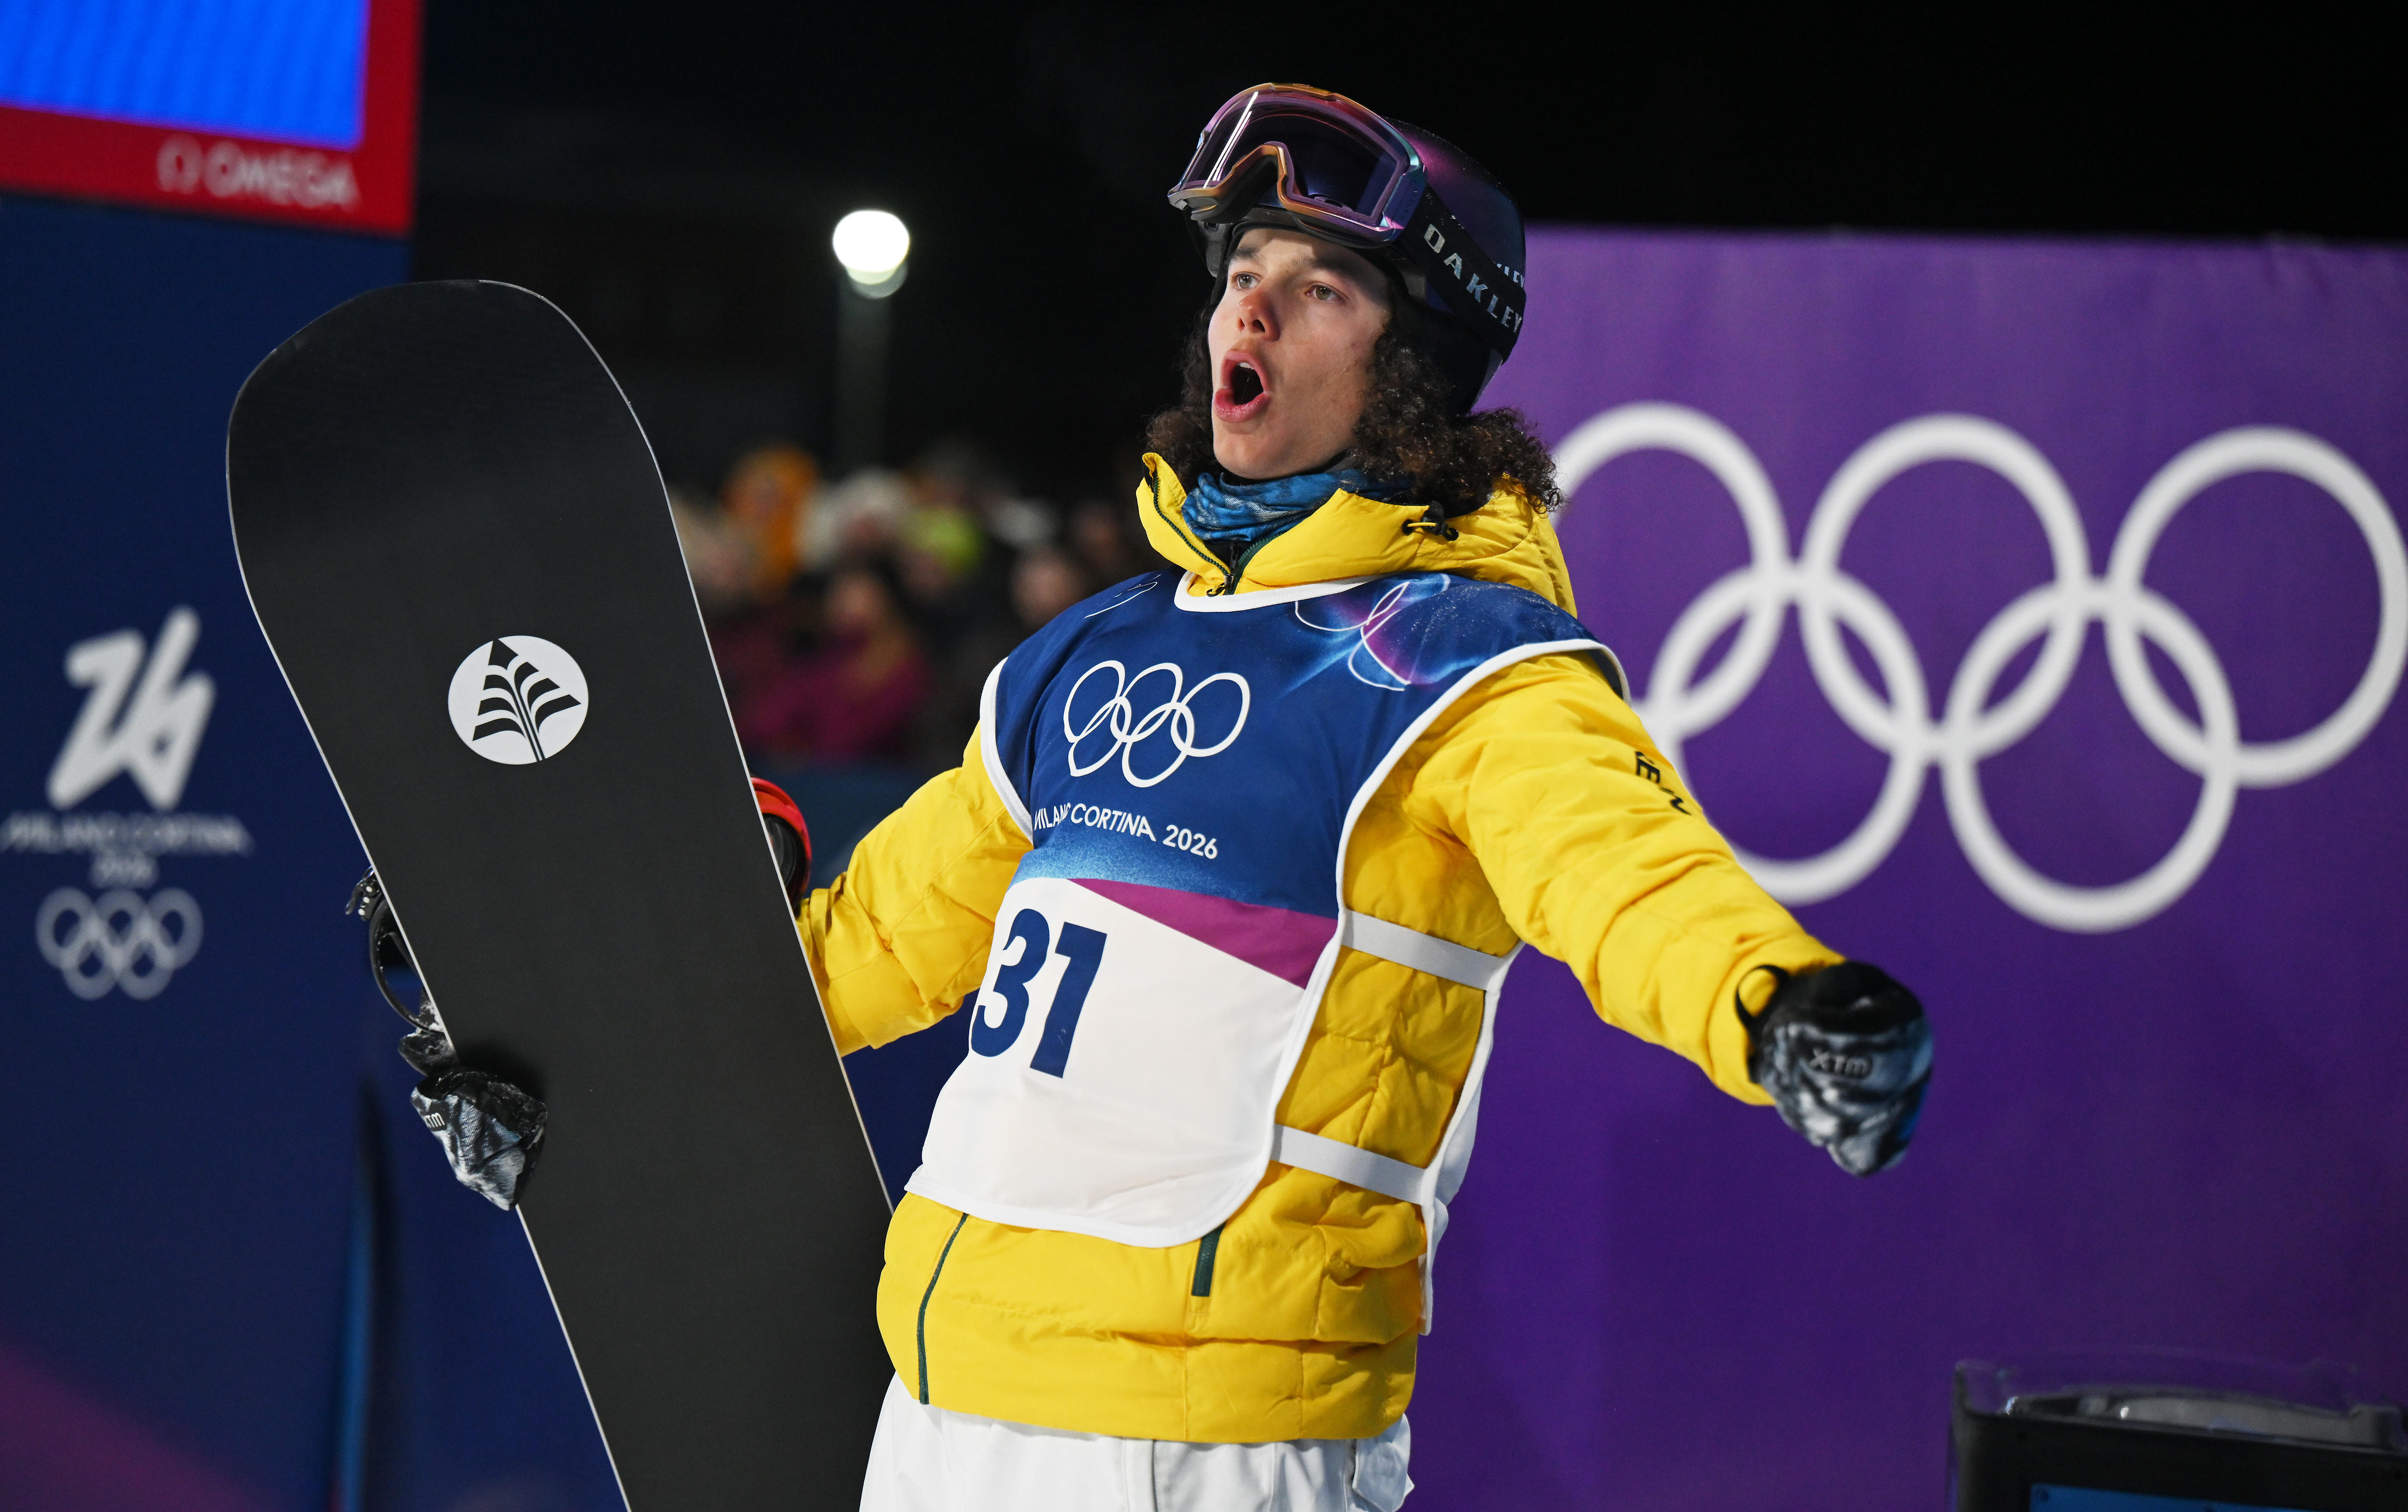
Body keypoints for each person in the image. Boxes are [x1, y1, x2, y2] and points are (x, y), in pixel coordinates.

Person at [398, 82, 1932, 1511]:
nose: (1248, 307)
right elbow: (860, 955)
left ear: (1411, 376)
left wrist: (1777, 1001)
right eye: (1241, 270)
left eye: (1320, 287)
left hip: (1213, 1443)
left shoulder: (1472, 674)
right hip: (944, 1405)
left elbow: (1627, 874)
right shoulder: (1092, 653)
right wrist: (570, 1057)